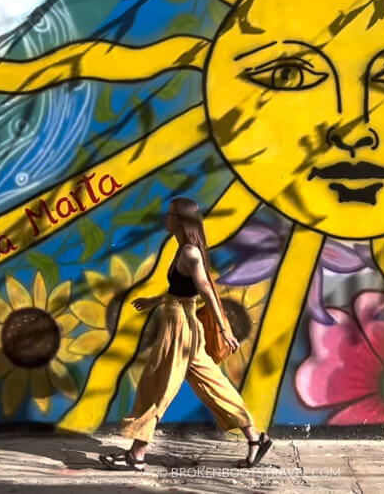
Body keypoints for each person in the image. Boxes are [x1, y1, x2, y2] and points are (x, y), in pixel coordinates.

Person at [99, 196, 273, 472]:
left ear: (181, 221)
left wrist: (225, 328)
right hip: (183, 325)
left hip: (179, 328)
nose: (166, 219)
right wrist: (154, 301)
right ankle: (256, 438)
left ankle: (137, 456)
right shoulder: (184, 249)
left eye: (170, 215)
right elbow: (182, 290)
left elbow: (205, 290)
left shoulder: (190, 252)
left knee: (158, 385)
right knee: (214, 385)